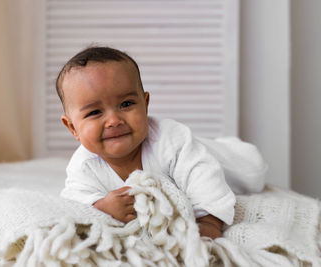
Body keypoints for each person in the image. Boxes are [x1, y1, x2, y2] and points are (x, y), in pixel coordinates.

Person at [57, 46, 235, 239]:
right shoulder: (83, 167)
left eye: (126, 104)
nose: (114, 120)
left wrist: (208, 222)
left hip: (231, 161)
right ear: (72, 127)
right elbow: (73, 203)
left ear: (145, 103)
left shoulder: (170, 139)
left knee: (251, 166)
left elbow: (204, 177)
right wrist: (101, 206)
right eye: (94, 112)